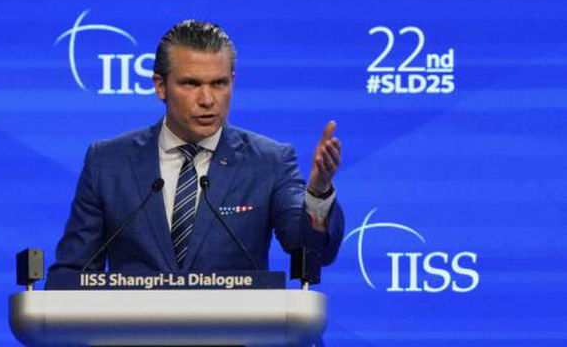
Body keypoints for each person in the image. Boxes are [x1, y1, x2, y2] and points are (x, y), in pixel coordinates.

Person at [46, 20, 344, 283]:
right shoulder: (108, 163)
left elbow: (312, 252)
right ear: (160, 86)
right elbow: (72, 274)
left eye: (219, 83)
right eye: (191, 83)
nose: (207, 99)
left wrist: (318, 192)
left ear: (232, 82)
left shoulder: (269, 161)